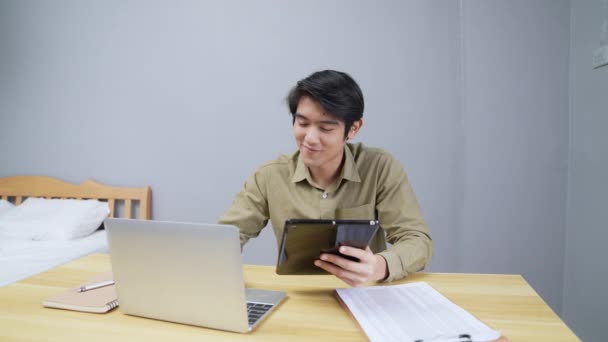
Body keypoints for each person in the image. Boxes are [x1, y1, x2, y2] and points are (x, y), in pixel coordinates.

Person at [219, 70, 432, 286]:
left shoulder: (380, 168)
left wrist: (380, 266)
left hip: (363, 295)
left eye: (326, 128)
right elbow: (224, 238)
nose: (310, 138)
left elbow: (417, 240)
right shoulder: (269, 175)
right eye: (302, 123)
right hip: (297, 297)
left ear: (354, 129)